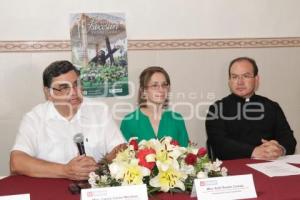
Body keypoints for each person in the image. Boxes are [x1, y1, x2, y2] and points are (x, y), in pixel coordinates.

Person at [10, 60, 126, 181]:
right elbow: (16, 162)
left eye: (76, 84)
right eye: (64, 88)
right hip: (50, 189)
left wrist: (98, 166)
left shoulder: (100, 111)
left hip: (94, 187)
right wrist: (65, 170)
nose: (74, 93)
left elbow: (121, 148)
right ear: (48, 93)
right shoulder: (34, 118)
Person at [206, 57, 297, 160]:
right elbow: (218, 143)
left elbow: (289, 139)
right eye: (234, 77)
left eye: (246, 76)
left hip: (271, 164)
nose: (240, 82)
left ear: (256, 79)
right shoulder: (217, 108)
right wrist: (253, 151)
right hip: (235, 168)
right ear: (229, 81)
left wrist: (280, 149)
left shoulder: (271, 106)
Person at [120, 66, 189, 147]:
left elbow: (186, 155)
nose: (161, 89)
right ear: (144, 91)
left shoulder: (177, 119)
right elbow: (122, 156)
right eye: (155, 85)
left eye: (164, 85)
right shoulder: (129, 121)